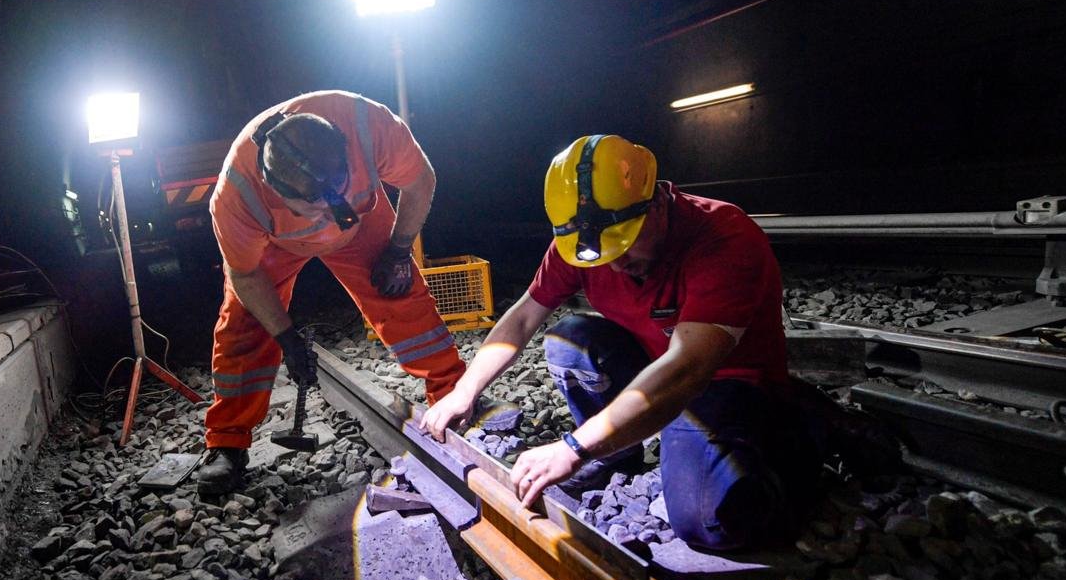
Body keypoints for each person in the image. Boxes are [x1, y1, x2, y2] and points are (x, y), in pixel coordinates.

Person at [421, 133, 812, 550]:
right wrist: (465, 391)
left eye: (624, 243)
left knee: (706, 521)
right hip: (658, 365)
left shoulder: (723, 236)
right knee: (570, 341)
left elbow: (688, 368)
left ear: (657, 202)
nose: (616, 264)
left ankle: (802, 438)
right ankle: (615, 451)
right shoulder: (584, 240)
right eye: (603, 253)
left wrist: (573, 448)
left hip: (725, 381)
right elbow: (522, 317)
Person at [198, 90, 465, 497]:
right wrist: (286, 337)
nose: (327, 216)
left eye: (334, 195)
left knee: (400, 295)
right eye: (314, 207)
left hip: (360, 221)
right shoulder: (238, 197)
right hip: (275, 246)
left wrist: (398, 250)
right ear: (275, 189)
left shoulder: (367, 124)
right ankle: (227, 442)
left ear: (344, 152)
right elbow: (246, 275)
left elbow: (420, 181)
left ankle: (454, 397)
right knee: (246, 327)